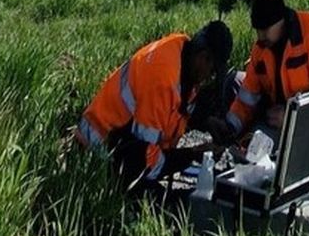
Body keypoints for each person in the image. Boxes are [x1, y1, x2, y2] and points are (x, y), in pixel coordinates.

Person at [76, 21, 233, 195]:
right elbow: (145, 159)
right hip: (98, 148)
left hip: (118, 135)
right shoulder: (163, 80)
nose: (209, 77)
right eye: (212, 71)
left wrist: (206, 122)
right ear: (203, 57)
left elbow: (176, 108)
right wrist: (192, 155)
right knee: (155, 190)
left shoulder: (183, 52)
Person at [224, 0, 309, 139]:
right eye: (258, 30)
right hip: (274, 117)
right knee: (233, 81)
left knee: (260, 150)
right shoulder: (261, 47)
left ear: (281, 20)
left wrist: (290, 116)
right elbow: (247, 97)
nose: (261, 36)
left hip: (308, 124)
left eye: (265, 29)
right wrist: (229, 127)